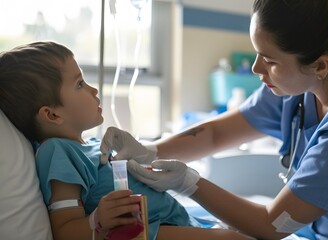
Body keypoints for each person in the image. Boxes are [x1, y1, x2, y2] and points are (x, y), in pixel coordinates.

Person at [100, 0, 328, 239]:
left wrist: (188, 182)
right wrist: (149, 151)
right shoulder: (297, 87)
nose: (257, 69)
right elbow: (215, 135)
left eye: (269, 60)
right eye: (257, 53)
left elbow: (273, 225)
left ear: (320, 66)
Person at [0, 41, 253, 240]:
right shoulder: (58, 152)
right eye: (79, 84)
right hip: (146, 232)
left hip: (169, 221)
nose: (93, 90)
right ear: (52, 114)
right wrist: (96, 220)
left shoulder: (89, 146)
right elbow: (65, 229)